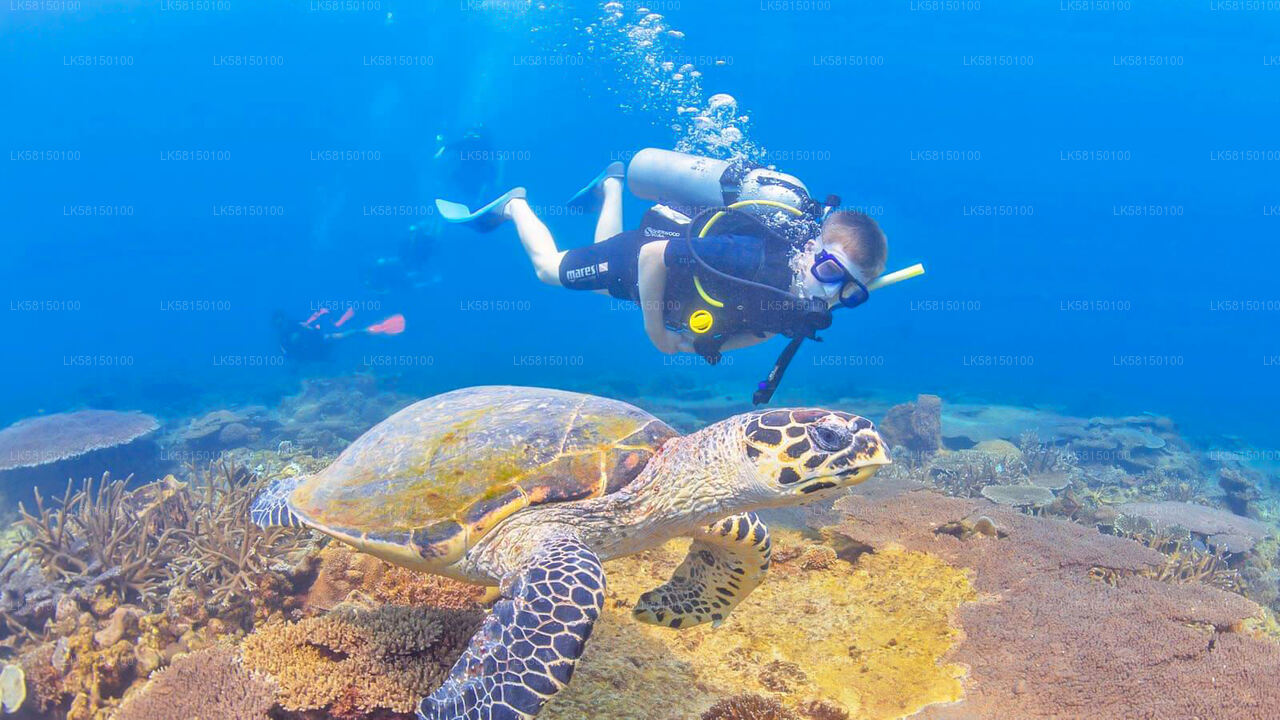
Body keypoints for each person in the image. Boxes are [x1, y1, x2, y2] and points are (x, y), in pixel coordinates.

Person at [435, 152, 888, 360]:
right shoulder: (748, 257)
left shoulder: (800, 301)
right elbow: (653, 256)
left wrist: (705, 346)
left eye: (850, 293)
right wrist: (655, 333)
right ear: (811, 250)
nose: (831, 293)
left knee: (606, 285)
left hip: (659, 288)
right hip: (648, 259)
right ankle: (514, 205)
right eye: (830, 271)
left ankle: (611, 183)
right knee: (548, 270)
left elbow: (765, 332)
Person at [274, 307, 406, 362]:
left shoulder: (295, 325)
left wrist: (314, 329)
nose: (281, 324)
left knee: (346, 334)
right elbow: (288, 354)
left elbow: (311, 329)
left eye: (281, 320)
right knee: (343, 334)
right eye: (279, 322)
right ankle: (348, 324)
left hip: (321, 342)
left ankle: (373, 329)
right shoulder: (284, 337)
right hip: (316, 351)